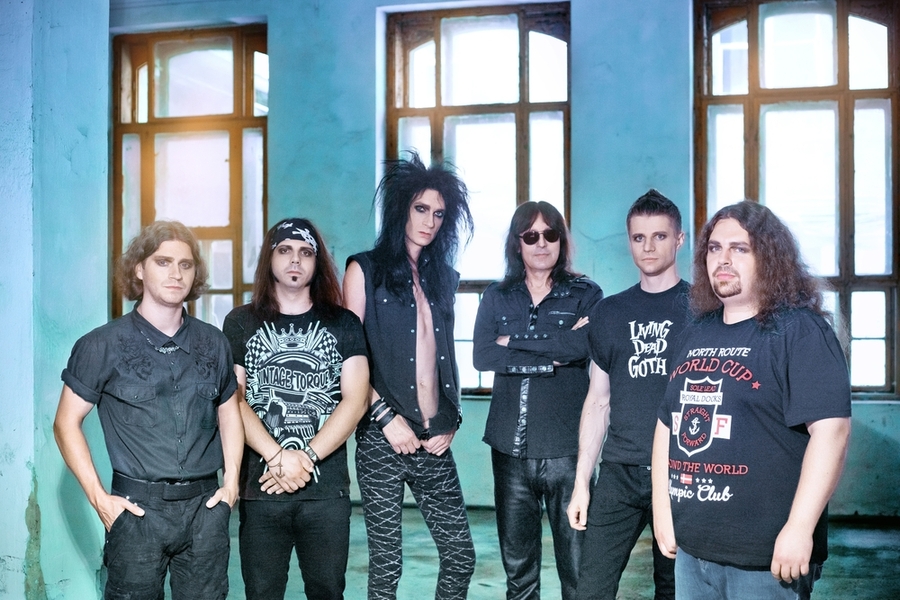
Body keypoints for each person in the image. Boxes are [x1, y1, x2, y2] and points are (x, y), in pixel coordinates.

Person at [651, 201, 852, 600]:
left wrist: (800, 527)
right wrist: (662, 509)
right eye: (714, 248)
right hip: (693, 552)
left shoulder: (799, 331)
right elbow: (667, 425)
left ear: (770, 258)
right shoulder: (695, 332)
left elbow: (832, 432)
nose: (723, 259)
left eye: (739, 249)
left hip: (767, 558)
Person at [53, 220, 244, 600]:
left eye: (185, 264)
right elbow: (65, 423)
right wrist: (99, 499)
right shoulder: (101, 345)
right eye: (163, 262)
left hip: (205, 508)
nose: (176, 273)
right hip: (136, 511)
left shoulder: (214, 343)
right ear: (139, 269)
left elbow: (229, 413)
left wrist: (232, 484)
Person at [343, 151, 477, 600]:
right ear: (402, 208)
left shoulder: (443, 278)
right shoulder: (365, 269)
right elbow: (350, 355)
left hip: (433, 437)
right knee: (387, 566)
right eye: (421, 208)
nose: (429, 221)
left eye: (439, 213)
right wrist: (385, 418)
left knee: (460, 556)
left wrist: (452, 419)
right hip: (383, 438)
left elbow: (446, 358)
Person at [222, 218, 369, 600]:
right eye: (285, 250)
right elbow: (233, 398)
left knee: (327, 592)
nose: (295, 260)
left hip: (325, 492)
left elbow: (356, 400)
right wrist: (276, 456)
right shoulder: (240, 322)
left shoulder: (343, 323)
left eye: (306, 252)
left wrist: (305, 457)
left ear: (317, 263)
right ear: (269, 258)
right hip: (261, 487)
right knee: (262, 593)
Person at [473, 200, 603, 599]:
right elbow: (483, 355)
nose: (541, 243)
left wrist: (511, 341)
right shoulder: (497, 296)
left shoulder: (586, 293)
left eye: (550, 234)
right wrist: (553, 354)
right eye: (531, 235)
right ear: (517, 243)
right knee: (519, 574)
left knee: (579, 572)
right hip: (509, 452)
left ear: (561, 241)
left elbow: (581, 347)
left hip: (567, 450)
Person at [566, 190, 688, 600]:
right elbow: (598, 401)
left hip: (680, 472)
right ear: (629, 241)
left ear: (679, 239)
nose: (648, 246)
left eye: (659, 236)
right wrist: (582, 482)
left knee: (673, 589)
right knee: (591, 589)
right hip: (619, 472)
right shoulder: (609, 313)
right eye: (639, 237)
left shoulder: (703, 311)